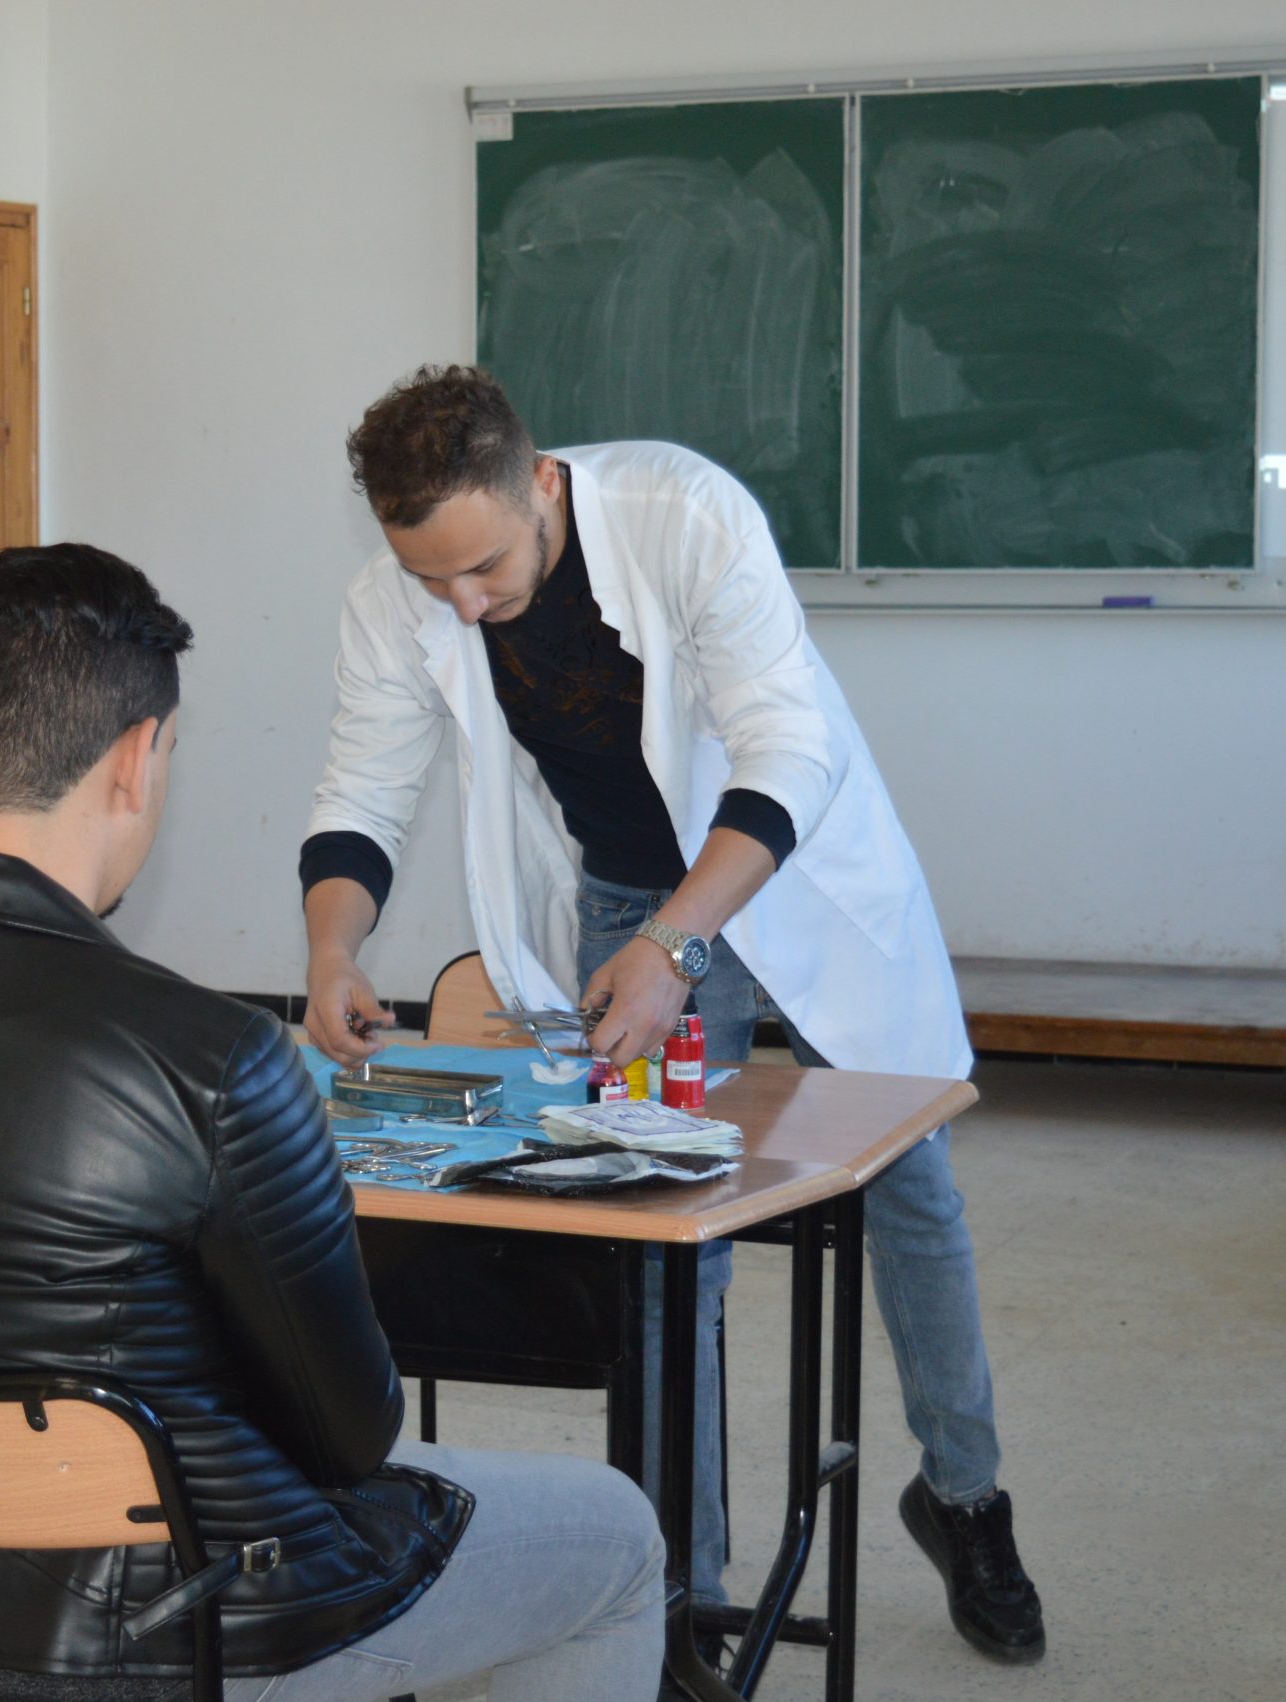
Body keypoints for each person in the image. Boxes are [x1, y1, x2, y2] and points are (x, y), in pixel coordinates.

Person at [0, 544, 665, 1702]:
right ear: (136, 760)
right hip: (180, 1639)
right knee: (614, 1535)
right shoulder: (215, 1058)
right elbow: (351, 1435)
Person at [300, 366, 1045, 1665]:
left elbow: (787, 750)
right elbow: (361, 791)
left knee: (911, 1187)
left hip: (782, 869)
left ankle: (966, 1498)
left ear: (540, 484)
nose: (461, 603)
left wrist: (675, 945)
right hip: (621, 892)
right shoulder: (394, 596)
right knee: (658, 1233)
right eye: (432, 579)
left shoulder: (683, 513)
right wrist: (330, 949)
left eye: (482, 568)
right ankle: (681, 1587)